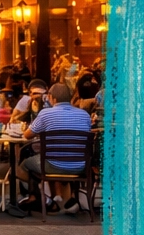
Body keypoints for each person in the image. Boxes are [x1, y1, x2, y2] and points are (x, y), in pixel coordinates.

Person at [20, 82, 93, 213]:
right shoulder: (84, 115)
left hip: (53, 164)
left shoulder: (45, 114)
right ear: (70, 98)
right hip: (81, 165)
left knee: (24, 164)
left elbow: (27, 135)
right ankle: (69, 199)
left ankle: (43, 199)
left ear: (52, 98)